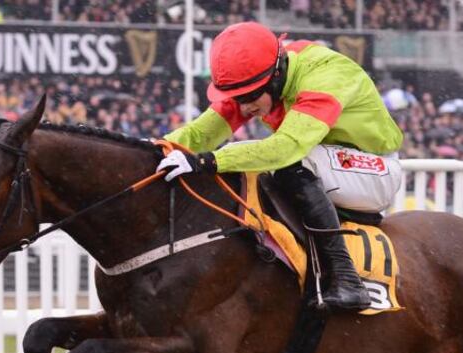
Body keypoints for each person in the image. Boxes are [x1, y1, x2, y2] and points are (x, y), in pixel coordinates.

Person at [157, 22, 405, 311]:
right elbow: (199, 135)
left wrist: (207, 161)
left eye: (249, 98)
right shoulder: (259, 74)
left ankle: (347, 280)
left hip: (374, 170)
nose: (244, 107)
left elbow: (287, 148)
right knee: (254, 164)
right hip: (327, 163)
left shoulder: (326, 76)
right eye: (237, 99)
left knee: (283, 161)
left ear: (276, 77)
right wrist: (151, 150)